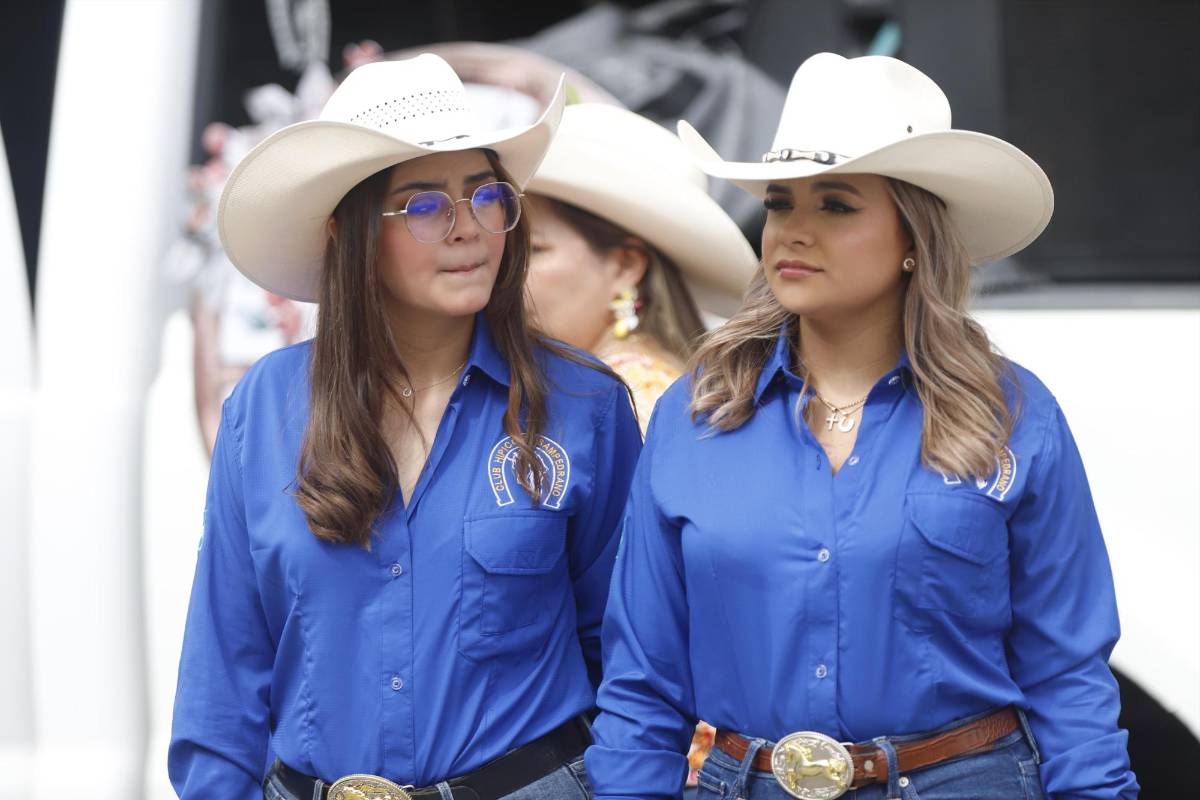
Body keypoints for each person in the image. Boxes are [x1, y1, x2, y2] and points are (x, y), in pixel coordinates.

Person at [585, 53, 1138, 799]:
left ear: (914, 238)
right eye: (781, 203)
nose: (792, 231)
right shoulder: (697, 413)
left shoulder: (1012, 410)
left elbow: (1068, 667)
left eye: (835, 205)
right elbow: (642, 678)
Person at [169, 54, 642, 800]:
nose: (468, 229)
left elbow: (631, 659)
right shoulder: (263, 406)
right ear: (347, 233)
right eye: (424, 206)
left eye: (487, 196)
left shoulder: (584, 404)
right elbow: (224, 674)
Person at [523, 103, 756, 430]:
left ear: (625, 266)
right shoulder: (643, 390)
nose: (505, 273)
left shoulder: (625, 402)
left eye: (533, 250)